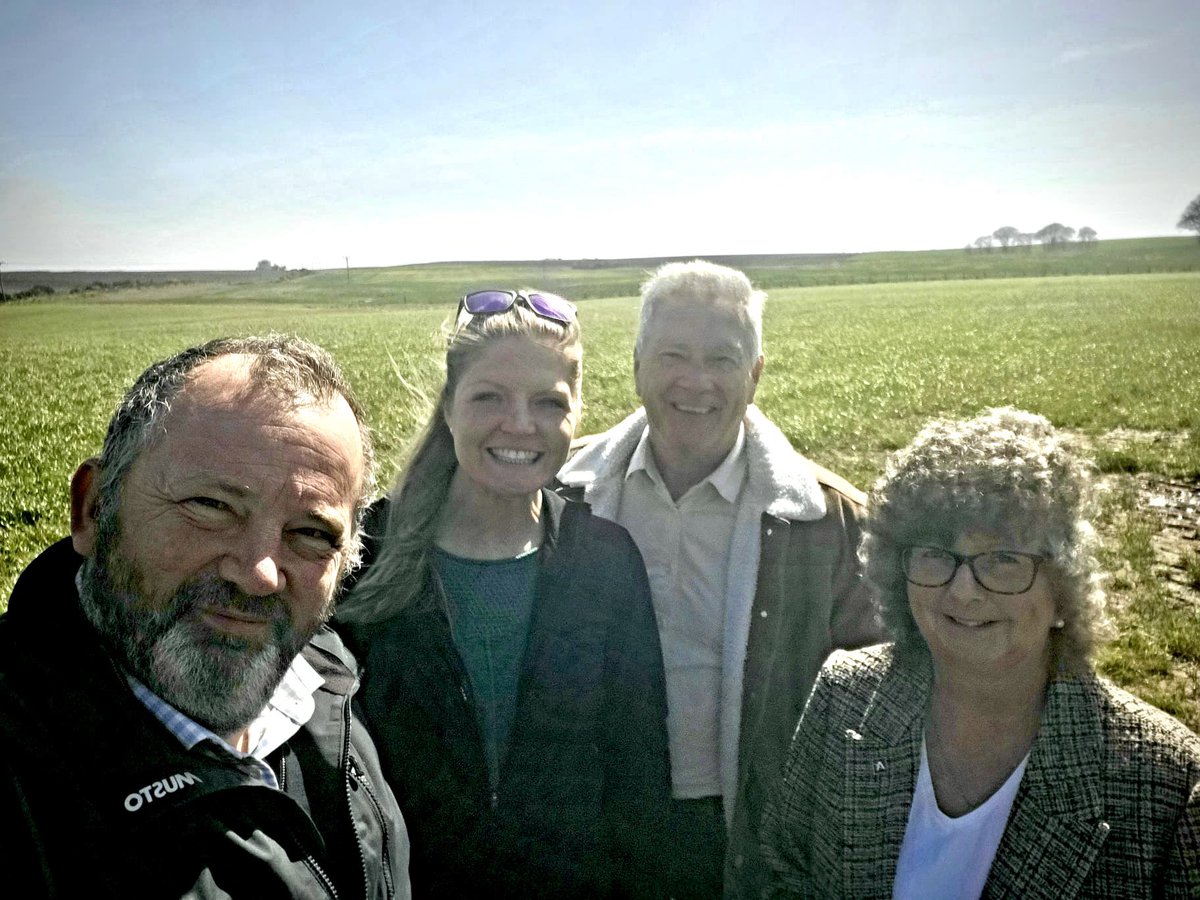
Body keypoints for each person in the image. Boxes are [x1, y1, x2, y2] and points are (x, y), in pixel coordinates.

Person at [0, 335, 410, 899]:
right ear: (94, 509)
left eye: (311, 534)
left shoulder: (328, 683)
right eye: (211, 507)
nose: (259, 574)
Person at [761, 407, 1200, 898]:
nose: (964, 591)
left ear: (1063, 587)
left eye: (1002, 560)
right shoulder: (843, 695)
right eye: (935, 555)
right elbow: (786, 874)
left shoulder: (1167, 785)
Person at [556, 260, 883, 899]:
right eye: (673, 355)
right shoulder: (560, 493)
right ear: (637, 365)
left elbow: (876, 700)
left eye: (723, 360)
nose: (696, 382)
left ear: (755, 375)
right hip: (594, 814)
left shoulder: (830, 522)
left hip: (743, 827)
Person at [338, 289, 671, 897]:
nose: (520, 425)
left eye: (548, 403)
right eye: (489, 397)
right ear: (448, 406)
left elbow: (639, 774)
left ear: (576, 414)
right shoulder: (363, 555)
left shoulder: (605, 558)